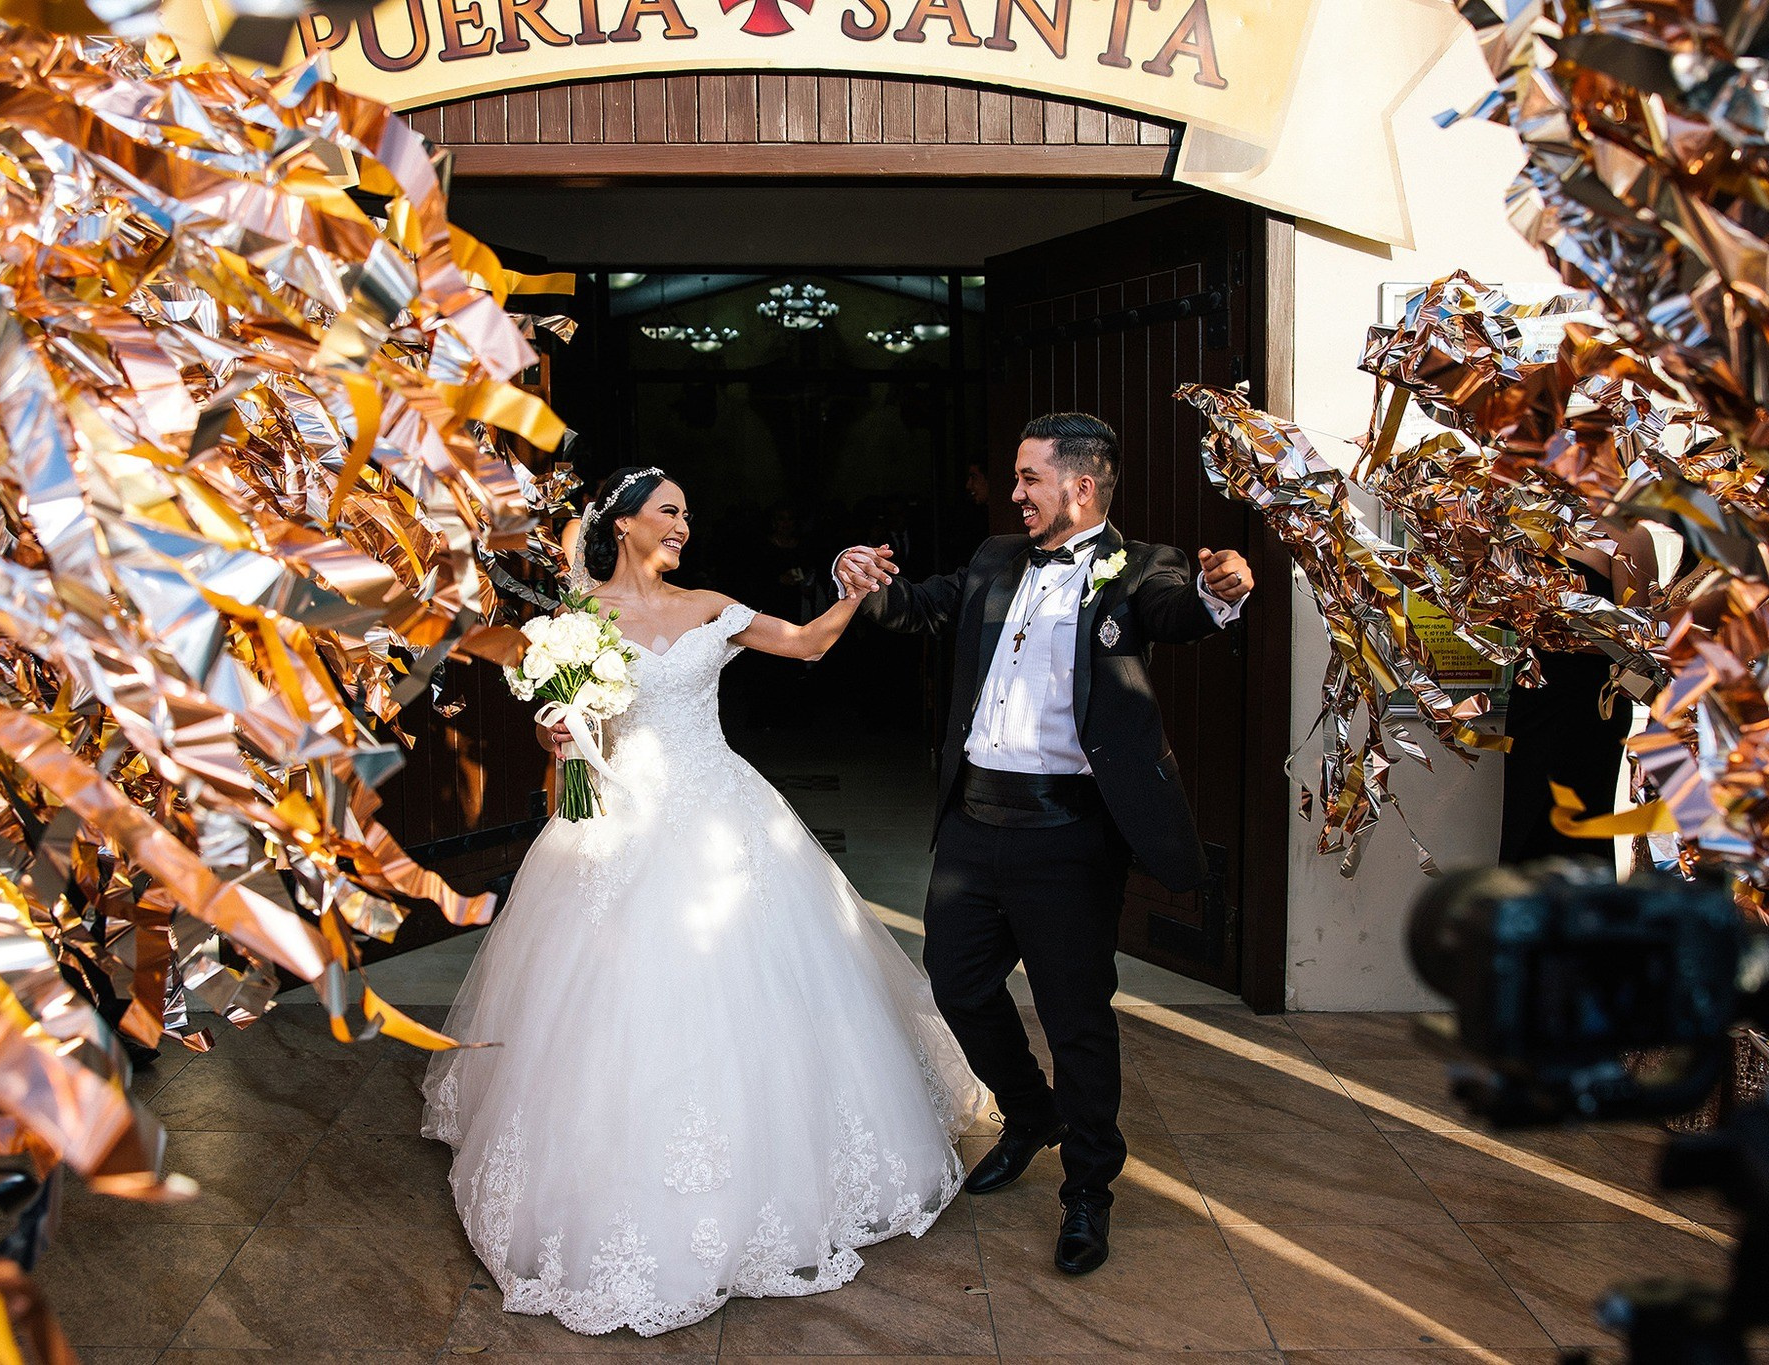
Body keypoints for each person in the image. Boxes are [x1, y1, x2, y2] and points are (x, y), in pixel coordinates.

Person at [423, 466, 981, 1337]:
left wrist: (847, 594)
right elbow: (551, 720)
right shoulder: (575, 624)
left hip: (721, 810)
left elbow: (804, 645)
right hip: (611, 818)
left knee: (751, 985)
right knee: (608, 999)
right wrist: (556, 729)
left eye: (687, 512)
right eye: (669, 511)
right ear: (623, 524)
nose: (684, 524)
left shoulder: (711, 605)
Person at [833, 412, 1254, 1277]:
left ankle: (1089, 1189)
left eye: (1028, 478)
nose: (1013, 492)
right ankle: (1030, 1114)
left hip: (1069, 833)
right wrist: (858, 577)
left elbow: (1179, 613)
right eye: (1016, 478)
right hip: (974, 822)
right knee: (956, 981)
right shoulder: (994, 559)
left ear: (1081, 486)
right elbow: (919, 605)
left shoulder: (1145, 567)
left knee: (1077, 1018)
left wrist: (1224, 592)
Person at [1497, 524, 1658, 865]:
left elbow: (1638, 638)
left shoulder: (1629, 532)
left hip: (1592, 703)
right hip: (1534, 697)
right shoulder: (1531, 521)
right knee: (1524, 825)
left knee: (1580, 828)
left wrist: (1559, 632)